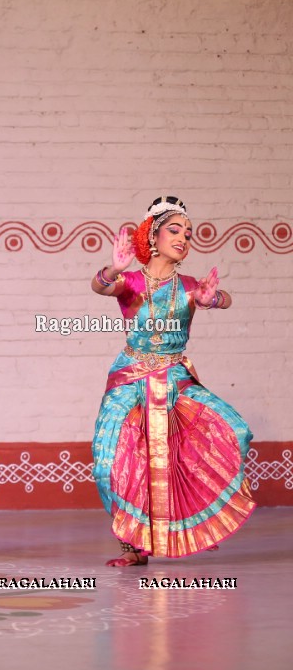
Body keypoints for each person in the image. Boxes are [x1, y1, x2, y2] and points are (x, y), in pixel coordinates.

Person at [91, 196, 255, 567]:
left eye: (189, 234)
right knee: (108, 463)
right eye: (175, 230)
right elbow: (102, 287)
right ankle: (132, 545)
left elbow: (222, 299)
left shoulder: (190, 284)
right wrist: (111, 269)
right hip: (129, 378)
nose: (184, 238)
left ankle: (192, 519)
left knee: (237, 430)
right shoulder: (131, 281)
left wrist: (213, 300)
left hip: (175, 377)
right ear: (153, 236)